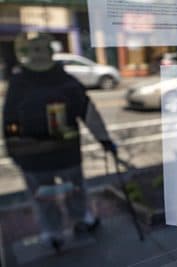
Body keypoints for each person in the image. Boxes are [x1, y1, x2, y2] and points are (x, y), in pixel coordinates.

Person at [2, 32, 116, 250]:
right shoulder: (61, 81)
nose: (37, 54)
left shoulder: (29, 82)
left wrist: (15, 148)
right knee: (59, 194)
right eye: (33, 49)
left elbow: (87, 112)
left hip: (52, 156)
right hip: (46, 156)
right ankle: (69, 225)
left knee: (59, 194)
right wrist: (15, 147)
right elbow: (11, 121)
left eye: (39, 49)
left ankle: (64, 228)